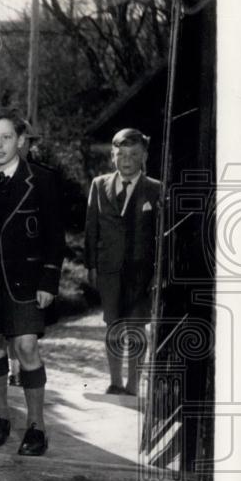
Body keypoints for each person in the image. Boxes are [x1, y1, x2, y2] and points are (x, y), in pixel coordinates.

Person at [0, 108, 64, 456]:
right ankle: (1, 418)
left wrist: (49, 281)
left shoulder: (42, 180)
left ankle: (36, 426)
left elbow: (55, 236)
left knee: (25, 348)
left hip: (26, 279)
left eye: (6, 137)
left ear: (20, 140)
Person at [84, 128, 161, 396]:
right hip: (109, 270)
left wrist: (157, 274)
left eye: (134, 154)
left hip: (141, 272)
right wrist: (91, 265)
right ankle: (115, 381)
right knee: (113, 325)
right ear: (112, 156)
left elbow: (160, 237)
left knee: (137, 327)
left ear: (144, 156)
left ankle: (133, 384)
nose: (126, 160)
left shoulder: (154, 189)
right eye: (121, 154)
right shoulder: (99, 185)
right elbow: (91, 228)